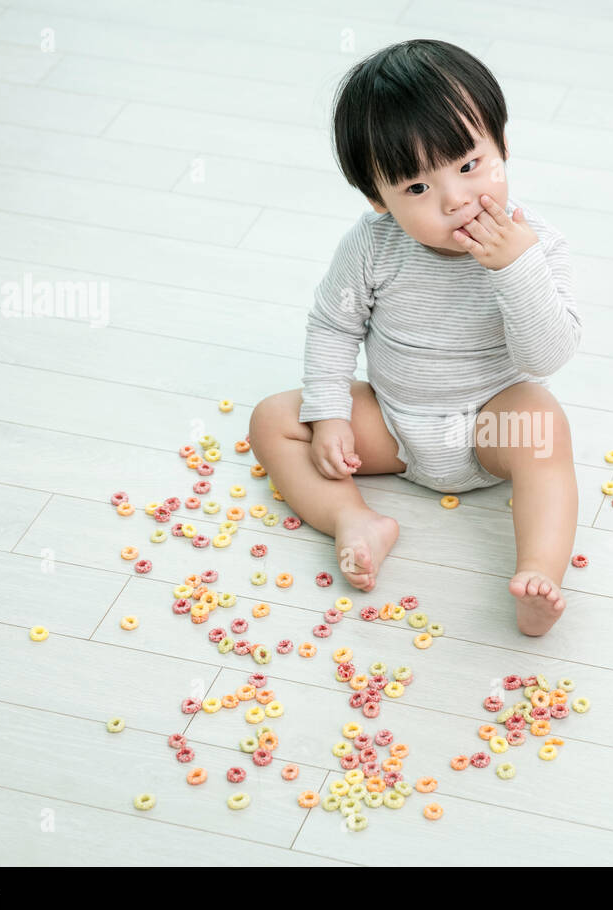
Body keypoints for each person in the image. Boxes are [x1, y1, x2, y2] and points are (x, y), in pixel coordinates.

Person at [248, 39, 582, 637]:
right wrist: (329, 415)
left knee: (543, 420)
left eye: (469, 166)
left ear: (502, 148)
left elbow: (546, 357)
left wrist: (515, 269)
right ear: (379, 200)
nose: (455, 200)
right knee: (273, 417)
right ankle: (353, 520)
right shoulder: (373, 244)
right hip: (396, 426)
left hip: (489, 429)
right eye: (418, 189)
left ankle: (539, 573)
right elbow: (332, 324)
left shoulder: (539, 247)